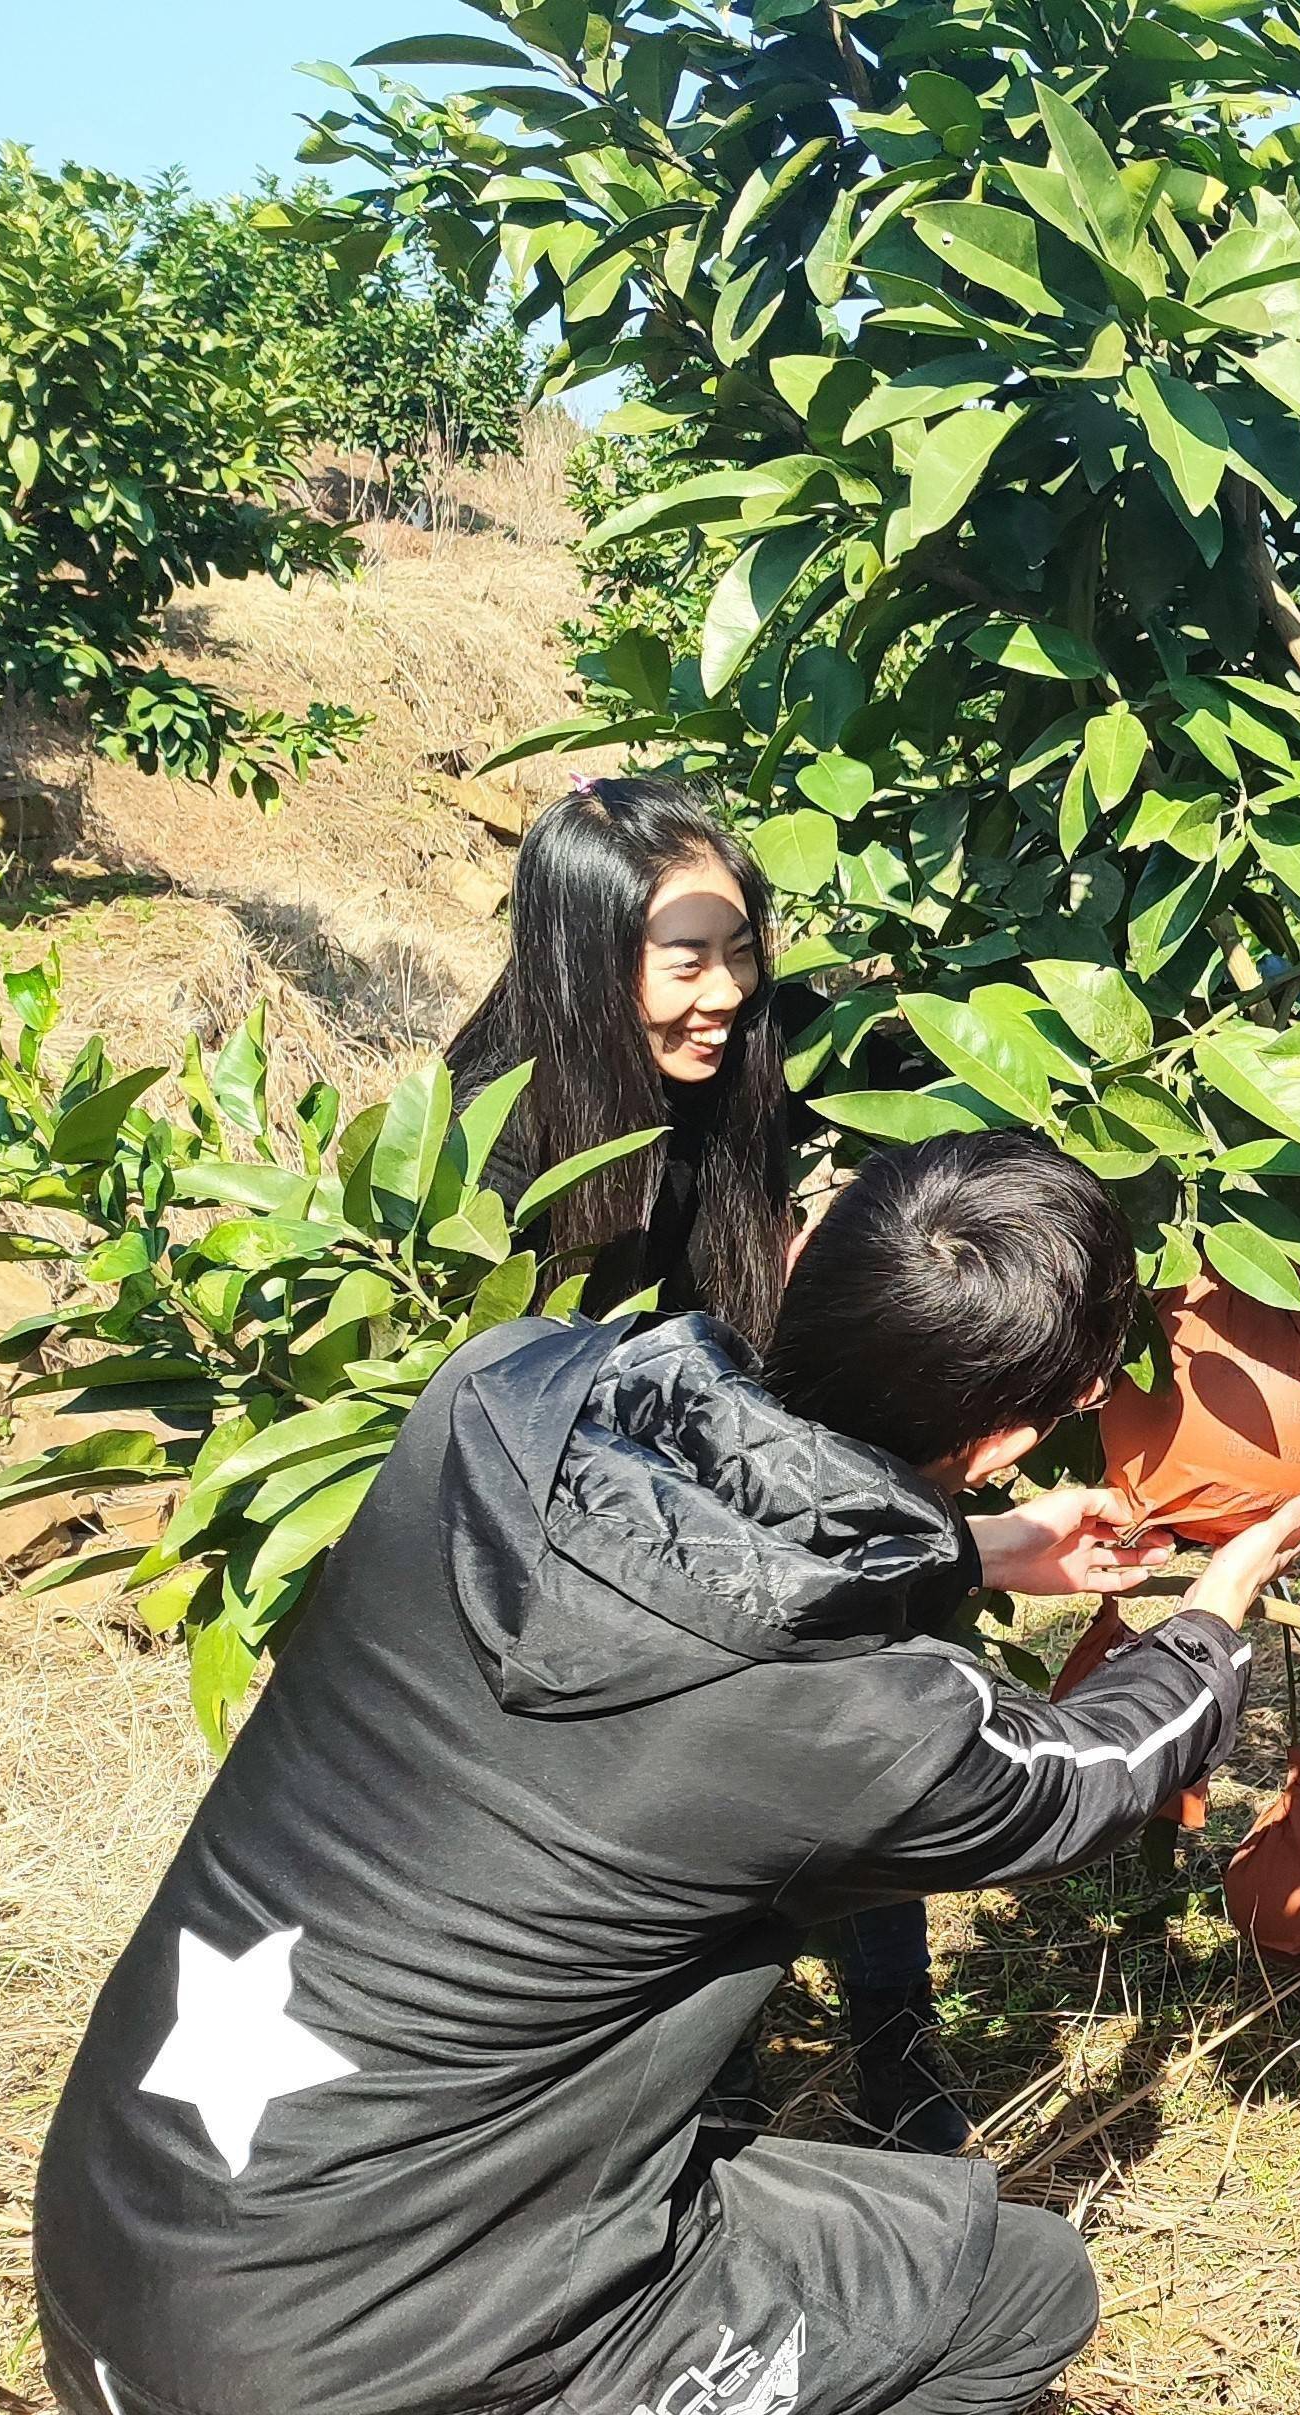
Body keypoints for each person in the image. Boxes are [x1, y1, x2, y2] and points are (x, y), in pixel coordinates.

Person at [30, 1134, 1300, 2415]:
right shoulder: (858, 1722)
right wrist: (1206, 1623)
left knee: (870, 2251)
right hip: (341, 2384)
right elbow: (1083, 1776)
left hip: (125, 2267)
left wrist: (973, 1552)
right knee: (1010, 2282)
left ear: (810, 1269)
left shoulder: (500, 1396)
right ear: (1009, 1436)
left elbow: (705, 1557)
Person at [445, 774, 971, 2154]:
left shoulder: (737, 1067)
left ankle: (902, 2063)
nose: (726, 993)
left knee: (856, 1689)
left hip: (711, 1456)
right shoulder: (497, 1122)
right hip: (579, 1517)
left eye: (744, 952)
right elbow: (497, 1395)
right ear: (586, 952)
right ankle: (708, 2109)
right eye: (688, 962)